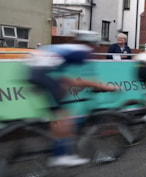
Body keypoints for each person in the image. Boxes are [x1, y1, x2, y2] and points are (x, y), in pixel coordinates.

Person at [27, 31, 118, 167]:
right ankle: (62, 156)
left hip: (32, 71)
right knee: (65, 117)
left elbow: (67, 79)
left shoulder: (70, 49)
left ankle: (56, 147)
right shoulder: (82, 52)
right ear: (91, 44)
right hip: (41, 73)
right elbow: (84, 80)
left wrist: (72, 83)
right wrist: (107, 87)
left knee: (58, 112)